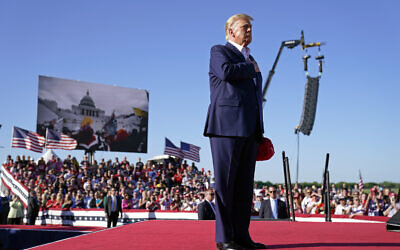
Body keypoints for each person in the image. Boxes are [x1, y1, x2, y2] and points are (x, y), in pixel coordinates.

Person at [203, 13, 266, 249]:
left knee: (243, 188)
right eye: (245, 28)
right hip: (226, 128)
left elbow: (256, 98)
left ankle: (241, 236)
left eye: (251, 28)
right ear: (231, 31)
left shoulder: (251, 60)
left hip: (249, 130)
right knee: (226, 186)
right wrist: (250, 67)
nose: (249, 32)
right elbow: (226, 73)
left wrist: (260, 128)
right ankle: (224, 239)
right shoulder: (219, 51)